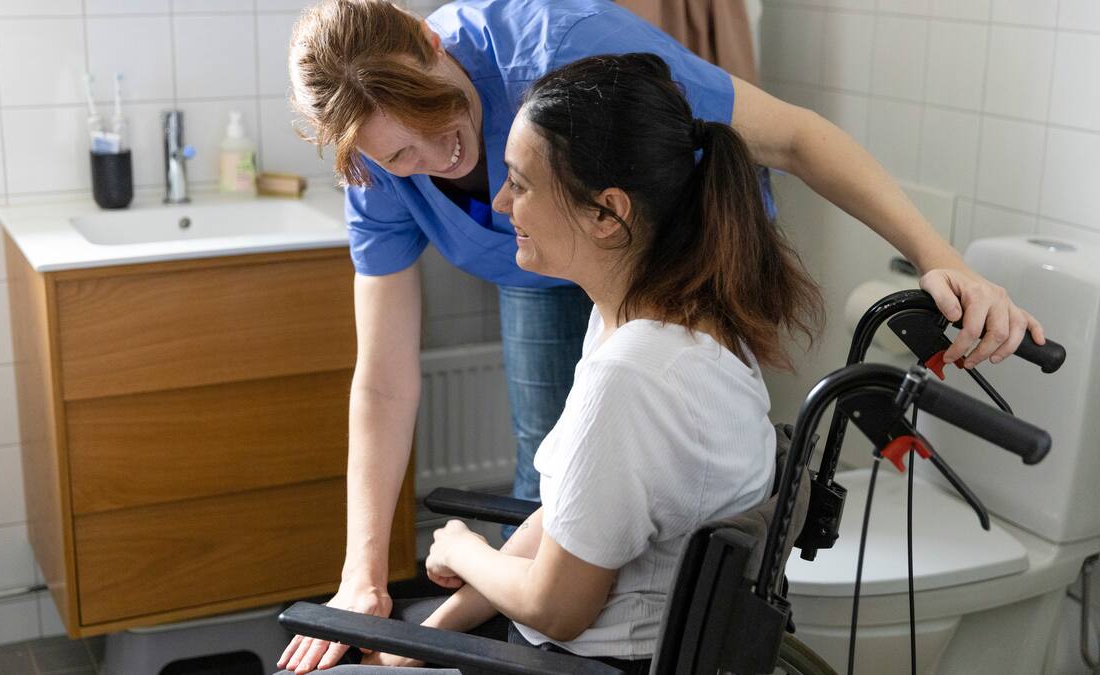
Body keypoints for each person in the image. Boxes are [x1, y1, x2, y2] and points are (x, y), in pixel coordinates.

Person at [280, 0, 1046, 670]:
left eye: (438, 119)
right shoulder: (388, 176)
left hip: (660, 271)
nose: (439, 159)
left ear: (430, 41)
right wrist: (370, 580)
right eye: (401, 156)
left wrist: (939, 260)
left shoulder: (562, 48)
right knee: (576, 478)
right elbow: (384, 380)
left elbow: (796, 139)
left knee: (620, 456)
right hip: (601, 282)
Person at [279, 50, 824, 674]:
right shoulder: (659, 320)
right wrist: (417, 646)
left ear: (605, 214)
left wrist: (462, 547)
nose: (503, 202)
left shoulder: (635, 376)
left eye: (523, 182)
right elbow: (569, 516)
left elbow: (556, 607)